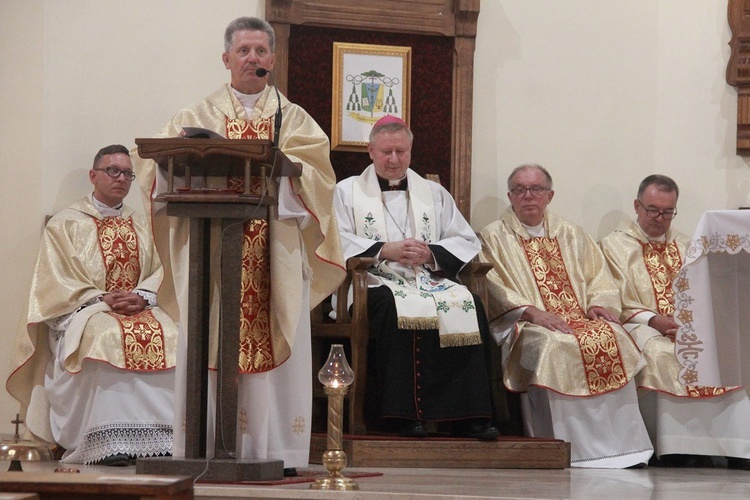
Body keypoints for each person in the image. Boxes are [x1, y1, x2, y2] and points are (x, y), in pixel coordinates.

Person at [132, 17, 345, 470]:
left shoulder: (295, 119)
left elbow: (319, 179)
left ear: (272, 59)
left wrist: (285, 169)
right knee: (207, 332)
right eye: (244, 51)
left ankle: (273, 451)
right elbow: (154, 171)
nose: (253, 59)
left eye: (261, 51)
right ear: (226, 59)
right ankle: (203, 447)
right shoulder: (194, 117)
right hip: (210, 248)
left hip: (275, 249)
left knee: (272, 327)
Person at [6, 144, 178, 466]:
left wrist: (143, 295)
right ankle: (107, 441)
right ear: (93, 175)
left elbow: (160, 270)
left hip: (140, 305)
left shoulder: (142, 224)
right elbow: (53, 283)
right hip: (87, 310)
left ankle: (163, 441)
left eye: (127, 173)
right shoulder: (66, 223)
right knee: (105, 335)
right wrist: (102, 298)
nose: (122, 179)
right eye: (113, 171)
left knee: (172, 334)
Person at [332, 115, 499, 440]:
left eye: (401, 152)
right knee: (393, 309)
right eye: (386, 152)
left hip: (429, 279)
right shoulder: (347, 191)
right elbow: (336, 239)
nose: (394, 160)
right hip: (376, 281)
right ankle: (401, 416)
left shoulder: (433, 193)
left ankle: (469, 416)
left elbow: (465, 239)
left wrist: (431, 253)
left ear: (410, 150)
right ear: (370, 150)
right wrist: (385, 249)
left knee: (471, 304)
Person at [478, 163, 653, 468]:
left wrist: (599, 304)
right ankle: (564, 448)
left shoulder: (571, 233)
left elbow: (599, 277)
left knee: (615, 335)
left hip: (579, 317)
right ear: (510, 195)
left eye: (536, 189)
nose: (528, 196)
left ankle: (626, 448)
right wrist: (531, 312)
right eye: (520, 190)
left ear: (550, 195)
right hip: (528, 322)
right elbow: (490, 285)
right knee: (553, 345)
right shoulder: (494, 236)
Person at [600, 174, 750, 469]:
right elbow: (612, 298)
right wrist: (654, 319)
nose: (660, 218)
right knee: (660, 354)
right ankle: (675, 447)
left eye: (668, 211)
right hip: (639, 325)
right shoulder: (614, 246)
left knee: (728, 352)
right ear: (637, 206)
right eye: (653, 209)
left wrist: (698, 323)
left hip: (690, 327)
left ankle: (736, 446)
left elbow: (709, 290)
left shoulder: (687, 245)